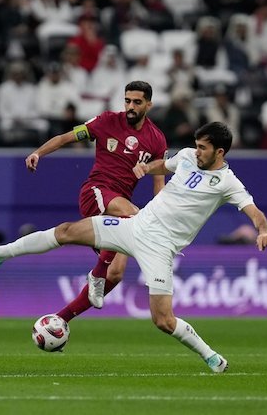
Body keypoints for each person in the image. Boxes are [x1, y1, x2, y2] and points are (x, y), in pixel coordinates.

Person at [0, 122, 267, 372]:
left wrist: (263, 230)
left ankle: (212, 358)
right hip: (134, 227)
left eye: (204, 148)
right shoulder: (189, 157)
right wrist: (145, 169)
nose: (198, 151)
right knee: (68, 230)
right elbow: (163, 166)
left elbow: (254, 211)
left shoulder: (228, 182)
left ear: (220, 151)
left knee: (163, 320)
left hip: (160, 248)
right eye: (198, 145)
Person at [26, 80, 168, 320]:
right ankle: (96, 274)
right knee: (135, 215)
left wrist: (162, 219)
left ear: (149, 105)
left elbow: (159, 184)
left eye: (137, 102)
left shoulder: (157, 139)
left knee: (116, 274)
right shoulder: (106, 121)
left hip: (118, 206)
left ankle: (62, 318)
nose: (130, 106)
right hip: (96, 191)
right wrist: (38, 153)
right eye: (127, 101)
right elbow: (65, 138)